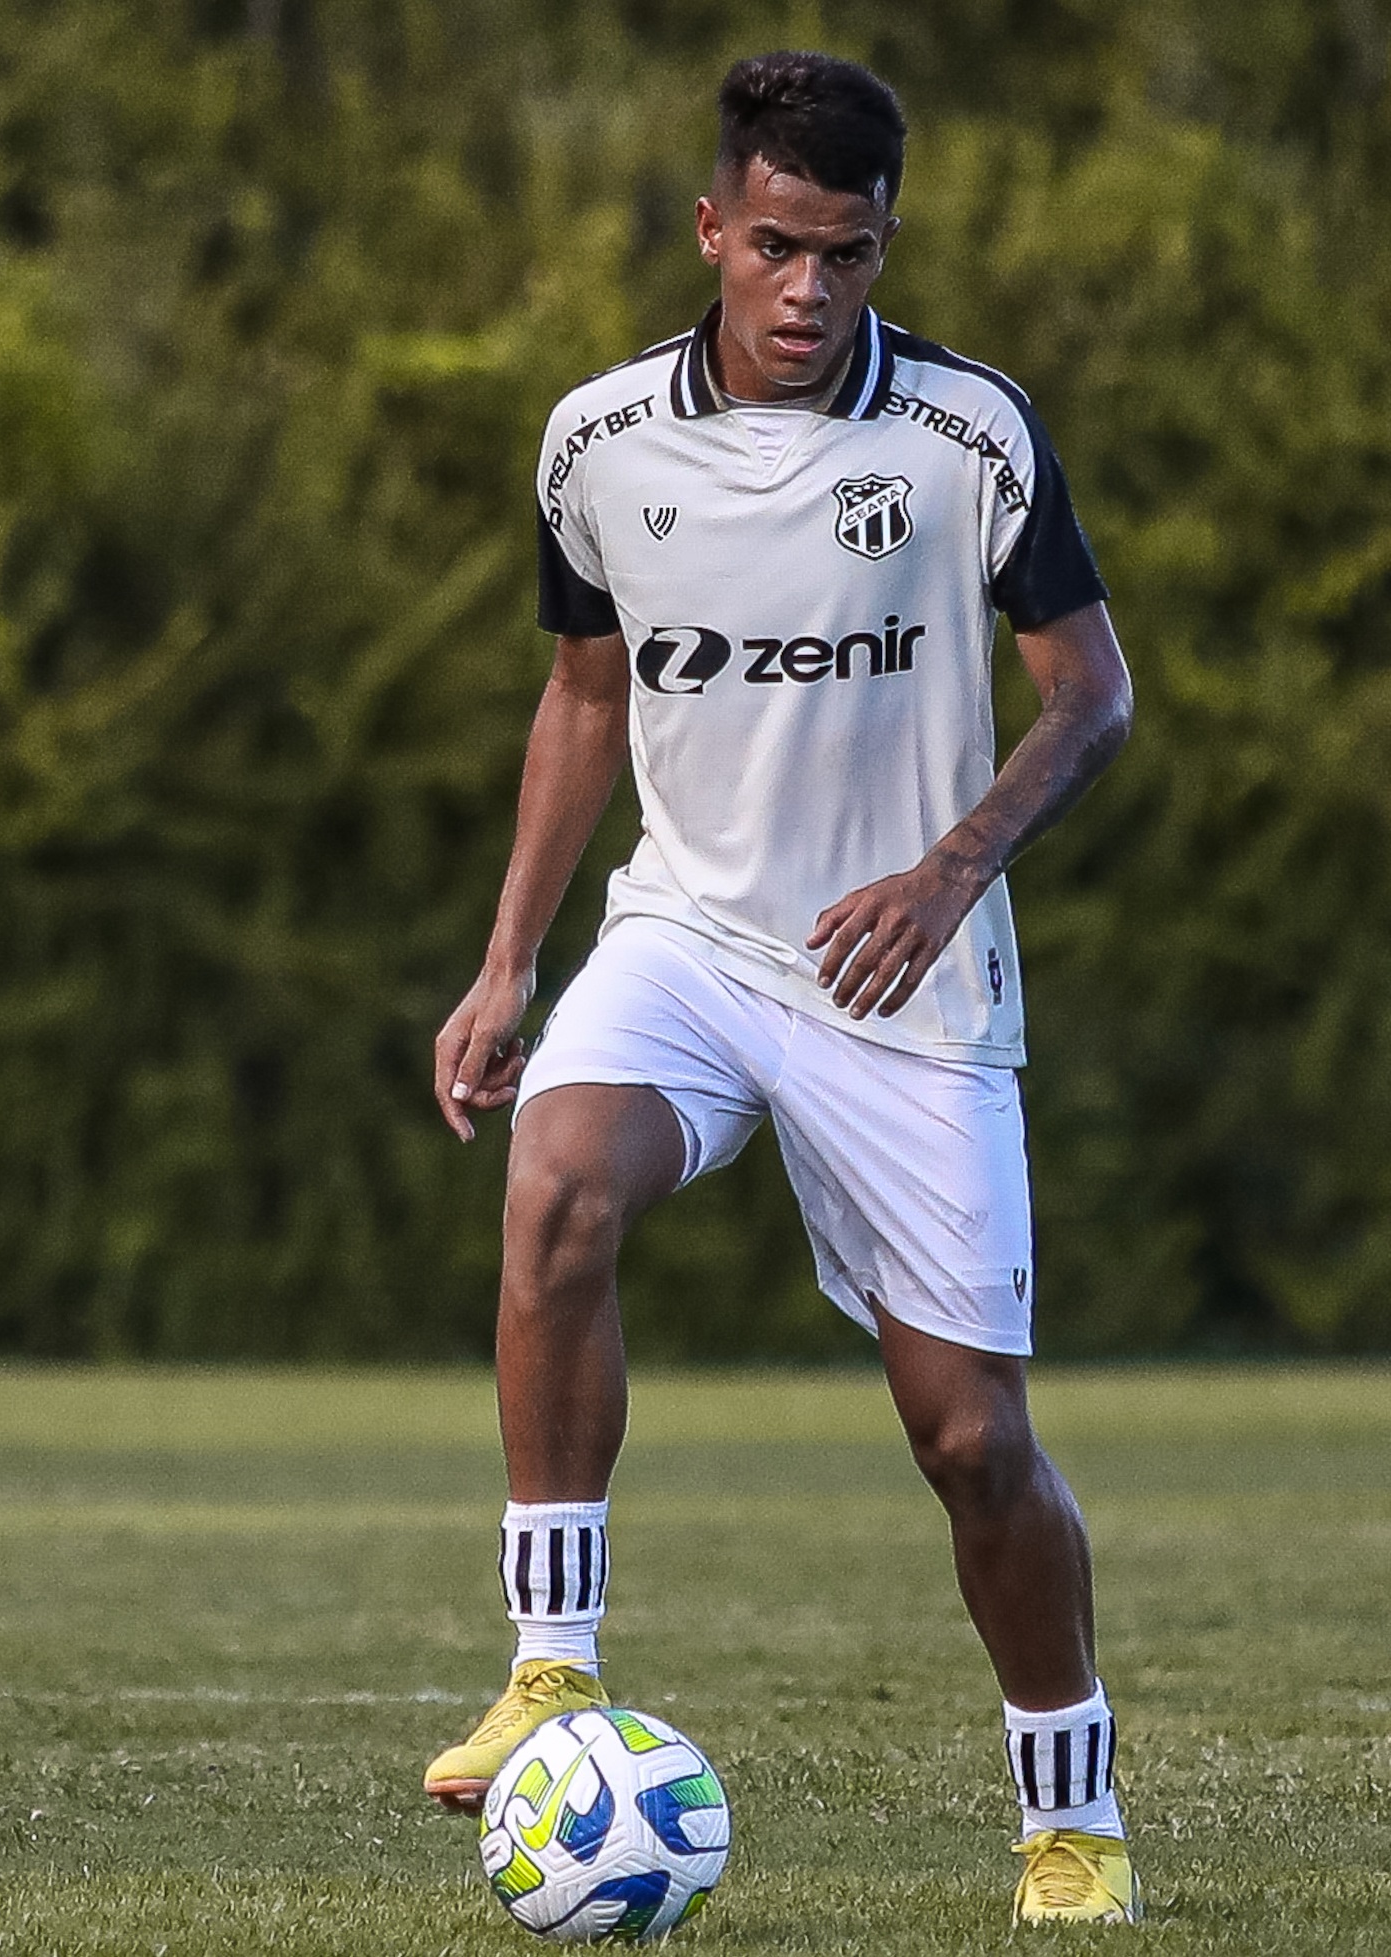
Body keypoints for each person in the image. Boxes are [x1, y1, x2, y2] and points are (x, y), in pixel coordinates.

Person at [423, 51, 1140, 1926]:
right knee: (558, 1181)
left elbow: (1094, 689)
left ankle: (1070, 1809)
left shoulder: (971, 436)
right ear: (711, 229)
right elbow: (587, 697)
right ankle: (552, 1666)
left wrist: (951, 864)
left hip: (909, 979)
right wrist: (509, 963)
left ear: (886, 237)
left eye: (849, 252)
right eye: (776, 246)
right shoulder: (598, 443)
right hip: (691, 942)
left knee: (973, 1440)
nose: (811, 290)